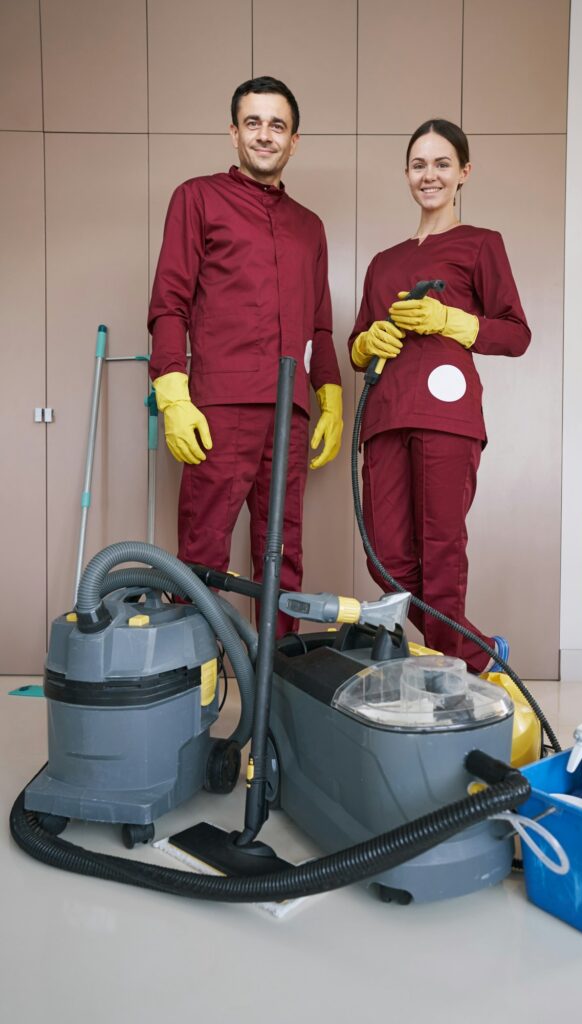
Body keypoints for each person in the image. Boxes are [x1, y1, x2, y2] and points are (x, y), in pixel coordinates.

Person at [148, 77, 343, 633]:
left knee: (282, 555)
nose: (265, 135)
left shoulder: (310, 227)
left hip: (291, 414)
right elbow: (169, 302)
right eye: (253, 123)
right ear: (234, 133)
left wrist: (328, 396)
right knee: (205, 548)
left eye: (277, 125)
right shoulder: (197, 197)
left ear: (294, 140)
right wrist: (173, 394)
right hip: (220, 407)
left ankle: (275, 683)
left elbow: (321, 326)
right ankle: (195, 676)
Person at [349, 119, 530, 673]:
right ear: (407, 173)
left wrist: (452, 319)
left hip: (446, 418)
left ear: (463, 172)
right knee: (388, 561)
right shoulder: (383, 262)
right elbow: (358, 338)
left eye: (442, 163)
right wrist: (363, 345)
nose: (430, 175)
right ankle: (480, 656)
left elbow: (516, 334)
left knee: (441, 555)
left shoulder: (481, 245)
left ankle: (450, 685)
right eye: (419, 164)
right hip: (384, 416)